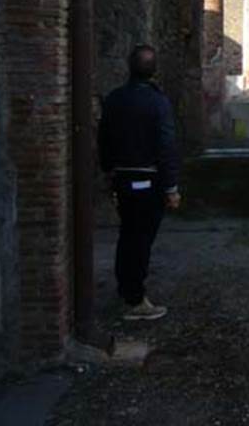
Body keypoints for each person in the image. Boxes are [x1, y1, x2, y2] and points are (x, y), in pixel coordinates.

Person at [98, 44, 182, 320]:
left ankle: (127, 290)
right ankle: (135, 300)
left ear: (129, 67)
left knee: (128, 235)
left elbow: (103, 138)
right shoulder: (158, 102)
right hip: (148, 180)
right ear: (154, 70)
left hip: (122, 178)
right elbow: (166, 146)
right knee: (141, 239)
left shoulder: (114, 99)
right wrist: (171, 187)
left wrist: (108, 170)